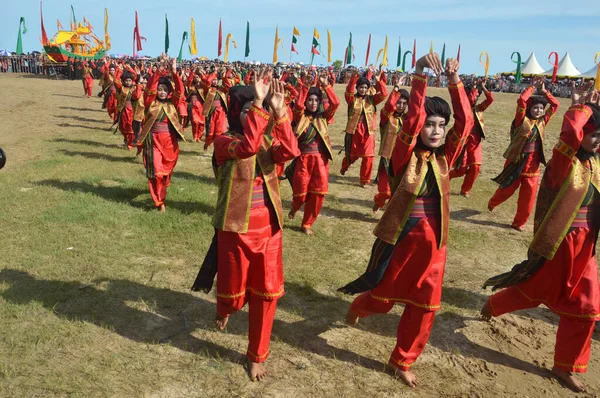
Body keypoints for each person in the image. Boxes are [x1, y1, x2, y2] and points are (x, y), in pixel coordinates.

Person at [339, 53, 473, 388]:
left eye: (441, 126)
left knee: (425, 308)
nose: (436, 131)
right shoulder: (404, 153)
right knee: (382, 301)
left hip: (435, 248)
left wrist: (455, 82)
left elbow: (467, 124)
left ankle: (401, 360)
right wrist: (419, 75)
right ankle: (359, 306)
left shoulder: (446, 158)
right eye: (431, 124)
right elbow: (411, 123)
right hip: (402, 240)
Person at [481, 84, 600, 393]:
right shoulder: (564, 165)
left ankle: (565, 366)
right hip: (559, 245)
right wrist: (578, 109)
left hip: (586, 250)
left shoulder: (596, 164)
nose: (596, 140)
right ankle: (494, 304)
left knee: (587, 308)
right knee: (532, 292)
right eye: (592, 133)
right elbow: (569, 137)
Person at [207, 69, 300, 381]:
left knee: (267, 294)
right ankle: (225, 308)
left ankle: (256, 354)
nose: (255, 114)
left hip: (269, 231)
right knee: (233, 292)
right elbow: (246, 148)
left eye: (258, 110)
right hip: (235, 230)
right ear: (237, 113)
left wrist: (279, 111)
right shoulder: (224, 142)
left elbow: (290, 151)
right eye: (249, 110)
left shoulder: (269, 141)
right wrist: (260, 104)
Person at [488, 76, 560, 231]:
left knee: (528, 199)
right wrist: (532, 87)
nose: (539, 111)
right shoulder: (520, 120)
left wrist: (544, 91)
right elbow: (521, 100)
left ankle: (518, 223)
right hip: (516, 162)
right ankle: (493, 202)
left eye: (541, 108)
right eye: (536, 108)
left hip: (533, 167)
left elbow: (555, 105)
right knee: (506, 191)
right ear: (529, 109)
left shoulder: (542, 121)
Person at [287, 71, 340, 235]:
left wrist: (326, 85)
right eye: (310, 100)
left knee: (318, 194)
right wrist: (306, 87)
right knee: (301, 194)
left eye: (316, 100)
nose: (313, 103)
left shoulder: (324, 117)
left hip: (321, 161)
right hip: (303, 160)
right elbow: (298, 106)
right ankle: (295, 208)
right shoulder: (299, 117)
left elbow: (336, 103)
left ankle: (307, 224)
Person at [139, 58, 185, 212]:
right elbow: (150, 87)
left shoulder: (173, 102)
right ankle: (159, 202)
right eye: (160, 89)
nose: (162, 92)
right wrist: (158, 71)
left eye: (165, 89)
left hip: (170, 143)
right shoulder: (150, 102)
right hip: (154, 141)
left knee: (165, 174)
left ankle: (161, 190)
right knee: (156, 172)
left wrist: (174, 71)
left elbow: (180, 90)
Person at [341, 68, 388, 187]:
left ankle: (364, 180)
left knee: (368, 157)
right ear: (357, 88)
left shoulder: (372, 99)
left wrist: (378, 81)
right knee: (352, 156)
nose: (363, 89)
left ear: (368, 89)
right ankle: (344, 166)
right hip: (354, 131)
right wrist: (354, 79)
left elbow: (383, 94)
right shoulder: (352, 99)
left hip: (368, 132)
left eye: (365, 88)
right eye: (361, 87)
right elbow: (348, 92)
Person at [449, 78, 494, 197]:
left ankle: (465, 190)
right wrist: (474, 87)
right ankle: (447, 176)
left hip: (475, 143)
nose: (475, 98)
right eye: (473, 94)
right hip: (462, 142)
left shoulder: (479, 109)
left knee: (475, 167)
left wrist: (483, 87)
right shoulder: (461, 109)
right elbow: (469, 100)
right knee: (461, 170)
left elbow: (490, 100)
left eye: (476, 95)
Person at [373, 85, 409, 213]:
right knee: (385, 191)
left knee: (397, 191)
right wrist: (395, 90)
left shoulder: (407, 120)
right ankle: (379, 199)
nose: (400, 105)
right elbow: (388, 106)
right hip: (386, 160)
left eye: (404, 103)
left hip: (401, 162)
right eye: (398, 102)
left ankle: (387, 210)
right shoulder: (387, 117)